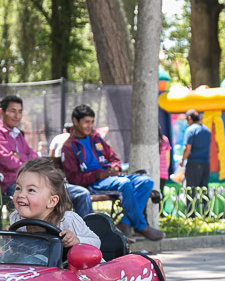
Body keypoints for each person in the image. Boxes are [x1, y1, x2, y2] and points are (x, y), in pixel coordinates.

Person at [61, 104, 164, 242]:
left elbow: (113, 157)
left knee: (145, 182)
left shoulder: (96, 138)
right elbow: (74, 179)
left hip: (110, 178)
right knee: (125, 184)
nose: (90, 126)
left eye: (92, 122)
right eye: (86, 122)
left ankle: (125, 223)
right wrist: (100, 175)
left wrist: (115, 167)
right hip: (93, 183)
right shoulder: (69, 147)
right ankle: (141, 227)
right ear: (75, 121)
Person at [0, 95, 92, 217]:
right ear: (1, 112)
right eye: (13, 111)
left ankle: (85, 234)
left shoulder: (17, 134)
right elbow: (10, 163)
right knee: (48, 197)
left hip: (35, 181)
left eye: (20, 112)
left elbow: (35, 157)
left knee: (81, 193)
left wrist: (20, 157)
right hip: (13, 185)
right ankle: (47, 232)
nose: (17, 116)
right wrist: (25, 158)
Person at [9, 158, 100, 249]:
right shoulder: (16, 218)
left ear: (51, 201)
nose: (21, 195)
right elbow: (20, 254)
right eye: (18, 188)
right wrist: (10, 239)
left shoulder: (68, 220)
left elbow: (96, 242)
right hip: (39, 262)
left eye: (31, 190)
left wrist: (76, 240)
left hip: (76, 262)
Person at [180, 109, 211, 217]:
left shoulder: (190, 130)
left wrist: (182, 160)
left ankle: (191, 215)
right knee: (204, 189)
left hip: (193, 163)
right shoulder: (206, 130)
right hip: (205, 163)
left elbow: (187, 148)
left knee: (191, 190)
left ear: (189, 118)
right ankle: (206, 213)